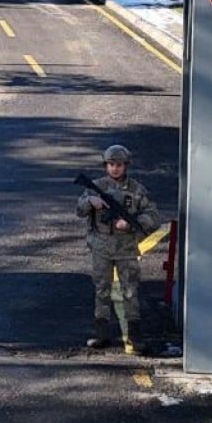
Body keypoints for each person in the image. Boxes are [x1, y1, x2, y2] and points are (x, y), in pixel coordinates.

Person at [76, 144, 159, 356]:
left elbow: (153, 217)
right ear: (105, 165)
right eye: (111, 164)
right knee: (101, 289)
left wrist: (130, 224)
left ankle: (134, 336)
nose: (115, 168)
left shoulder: (137, 190)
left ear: (126, 166)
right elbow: (79, 210)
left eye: (119, 165)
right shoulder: (96, 187)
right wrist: (90, 201)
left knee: (130, 291)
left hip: (126, 249)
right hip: (101, 248)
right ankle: (101, 334)